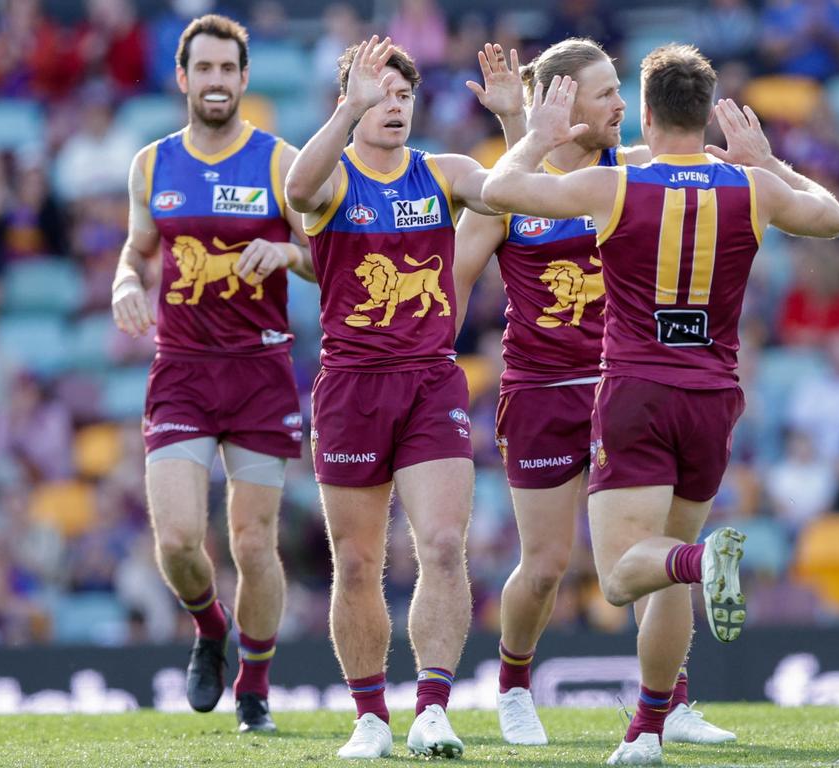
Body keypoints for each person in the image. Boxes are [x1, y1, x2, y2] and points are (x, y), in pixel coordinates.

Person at [482, 44, 839, 764]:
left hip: (636, 393)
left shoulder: (614, 183)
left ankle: (702, 564)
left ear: (646, 114)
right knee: (665, 566)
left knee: (628, 574)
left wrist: (532, 133)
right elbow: (832, 218)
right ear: (709, 113)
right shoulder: (751, 187)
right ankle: (649, 729)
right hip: (715, 399)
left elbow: (500, 193)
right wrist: (768, 160)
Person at [454, 38, 737, 748]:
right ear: (563, 101)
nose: (622, 106)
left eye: (620, 89)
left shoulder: (638, 171)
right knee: (547, 565)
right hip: (543, 388)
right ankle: (514, 686)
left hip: (631, 384)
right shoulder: (509, 190)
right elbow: (450, 288)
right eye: (606, 91)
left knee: (661, 551)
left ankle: (670, 704)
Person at [284, 36, 523, 759]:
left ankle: (433, 707)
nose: (394, 107)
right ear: (351, 102)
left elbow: (519, 194)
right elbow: (297, 191)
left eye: (403, 95)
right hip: (353, 388)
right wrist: (343, 112)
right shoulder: (331, 179)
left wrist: (515, 125)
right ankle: (369, 718)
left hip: (430, 380)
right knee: (357, 562)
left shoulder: (441, 172)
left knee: (445, 546)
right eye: (378, 95)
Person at [110, 13, 314, 734]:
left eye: (230, 69)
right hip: (183, 373)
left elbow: (331, 258)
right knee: (175, 543)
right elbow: (136, 252)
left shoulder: (280, 161)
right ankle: (208, 628)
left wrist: (289, 255)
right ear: (184, 77)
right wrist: (124, 286)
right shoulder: (151, 165)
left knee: (254, 543)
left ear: (245, 78)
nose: (218, 81)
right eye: (206, 69)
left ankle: (254, 687)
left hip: (259, 370)